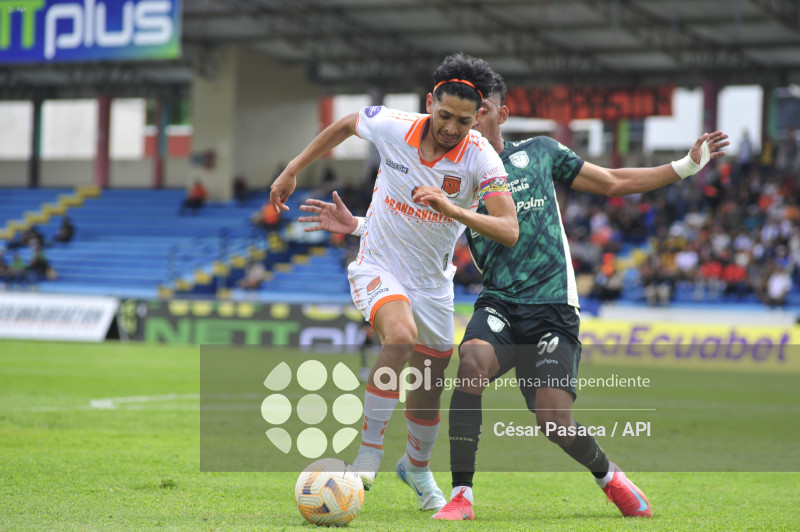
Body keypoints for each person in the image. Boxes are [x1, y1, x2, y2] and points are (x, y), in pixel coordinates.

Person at [303, 72, 729, 520]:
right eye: (452, 115)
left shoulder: (538, 153)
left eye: (476, 113)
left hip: (552, 305)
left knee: (553, 420)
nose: (460, 125)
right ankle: (461, 495)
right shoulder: (461, 167)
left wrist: (685, 166)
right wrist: (360, 226)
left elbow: (611, 182)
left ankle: (610, 478)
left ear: (498, 114)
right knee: (470, 363)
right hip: (499, 302)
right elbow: (416, 225)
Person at [272, 53, 519, 512]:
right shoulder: (392, 126)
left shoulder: (480, 157)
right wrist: (293, 168)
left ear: (478, 117)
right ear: (429, 103)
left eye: (464, 121)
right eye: (444, 115)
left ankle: (417, 468)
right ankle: (369, 453)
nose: (451, 127)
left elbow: (509, 228)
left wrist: (454, 210)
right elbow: (346, 124)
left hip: (433, 284)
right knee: (400, 336)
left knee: (428, 386)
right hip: (379, 265)